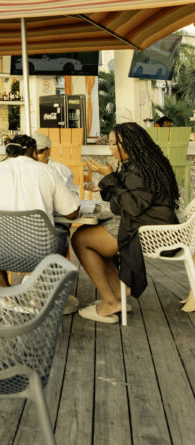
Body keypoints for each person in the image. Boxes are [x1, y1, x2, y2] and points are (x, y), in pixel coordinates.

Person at [75, 122, 179, 323]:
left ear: (130, 144)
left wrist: (109, 178)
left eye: (115, 144)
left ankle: (110, 301)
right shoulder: (144, 163)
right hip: (152, 223)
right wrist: (105, 185)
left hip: (151, 230)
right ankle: (118, 292)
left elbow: (130, 206)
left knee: (81, 239)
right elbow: (123, 199)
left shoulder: (138, 169)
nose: (111, 148)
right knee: (92, 236)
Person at [0, 133, 80, 306]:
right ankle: (40, 296)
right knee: (62, 232)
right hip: (39, 252)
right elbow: (71, 213)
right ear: (33, 153)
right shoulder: (48, 171)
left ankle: (7, 291)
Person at [34, 133, 80, 198]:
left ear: (48, 151)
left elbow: (72, 197)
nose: (34, 155)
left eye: (38, 152)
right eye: (31, 152)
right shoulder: (25, 170)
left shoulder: (60, 170)